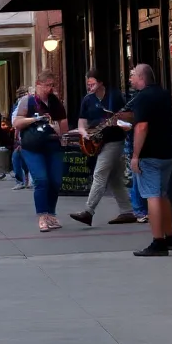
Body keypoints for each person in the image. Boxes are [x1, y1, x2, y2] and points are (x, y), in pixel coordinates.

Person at [69, 69, 135, 227]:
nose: (90, 86)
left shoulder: (115, 96)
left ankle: (88, 211)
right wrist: (84, 133)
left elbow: (128, 117)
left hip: (113, 140)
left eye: (92, 83)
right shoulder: (87, 100)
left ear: (101, 82)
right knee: (114, 178)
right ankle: (127, 211)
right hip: (95, 141)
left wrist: (117, 121)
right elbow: (81, 122)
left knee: (100, 173)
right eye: (88, 84)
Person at [129, 64, 172, 256]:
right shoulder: (163, 94)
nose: (130, 78)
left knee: (153, 196)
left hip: (150, 155)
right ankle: (171, 237)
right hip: (167, 152)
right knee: (162, 194)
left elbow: (142, 127)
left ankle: (158, 242)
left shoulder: (142, 97)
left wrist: (135, 156)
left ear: (142, 78)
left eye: (133, 75)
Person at [13, 72, 68, 232]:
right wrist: (35, 119)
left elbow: (63, 124)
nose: (49, 88)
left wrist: (59, 129)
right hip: (33, 146)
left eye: (52, 85)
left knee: (56, 180)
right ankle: (42, 216)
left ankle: (51, 213)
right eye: (47, 85)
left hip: (52, 144)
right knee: (41, 179)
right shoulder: (28, 101)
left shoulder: (55, 101)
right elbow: (17, 122)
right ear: (38, 84)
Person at [10, 87, 32, 190]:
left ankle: (25, 180)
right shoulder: (16, 106)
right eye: (20, 95)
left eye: (23, 94)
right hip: (20, 137)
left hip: (26, 136)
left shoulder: (30, 104)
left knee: (21, 157)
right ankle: (23, 180)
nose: (21, 97)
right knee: (18, 157)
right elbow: (16, 122)